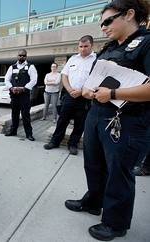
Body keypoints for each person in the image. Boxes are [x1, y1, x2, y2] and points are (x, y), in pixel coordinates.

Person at [65, 0, 150, 241]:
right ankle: (93, 201)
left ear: (129, 14)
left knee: (118, 172)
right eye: (101, 23)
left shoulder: (146, 43)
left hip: (127, 121)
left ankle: (115, 223)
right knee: (93, 164)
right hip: (96, 114)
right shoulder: (109, 48)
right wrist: (89, 90)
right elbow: (95, 77)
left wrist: (113, 94)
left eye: (108, 21)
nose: (103, 27)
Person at [44, 35, 96, 155]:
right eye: (80, 46)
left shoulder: (96, 60)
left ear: (91, 46)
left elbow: (95, 79)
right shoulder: (73, 59)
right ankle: (55, 141)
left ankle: (72, 144)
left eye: (86, 46)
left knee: (79, 122)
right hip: (69, 95)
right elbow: (64, 75)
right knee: (62, 119)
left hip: (84, 97)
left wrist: (81, 91)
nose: (83, 49)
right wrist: (69, 89)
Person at [4, 49, 38, 141]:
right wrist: (11, 88)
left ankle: (29, 134)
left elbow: (34, 80)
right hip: (14, 95)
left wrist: (23, 88)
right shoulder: (12, 67)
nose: (21, 57)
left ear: (26, 56)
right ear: (17, 56)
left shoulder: (30, 67)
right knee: (14, 114)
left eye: (23, 55)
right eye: (20, 55)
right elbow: (6, 79)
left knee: (25, 115)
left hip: (24, 96)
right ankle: (13, 131)